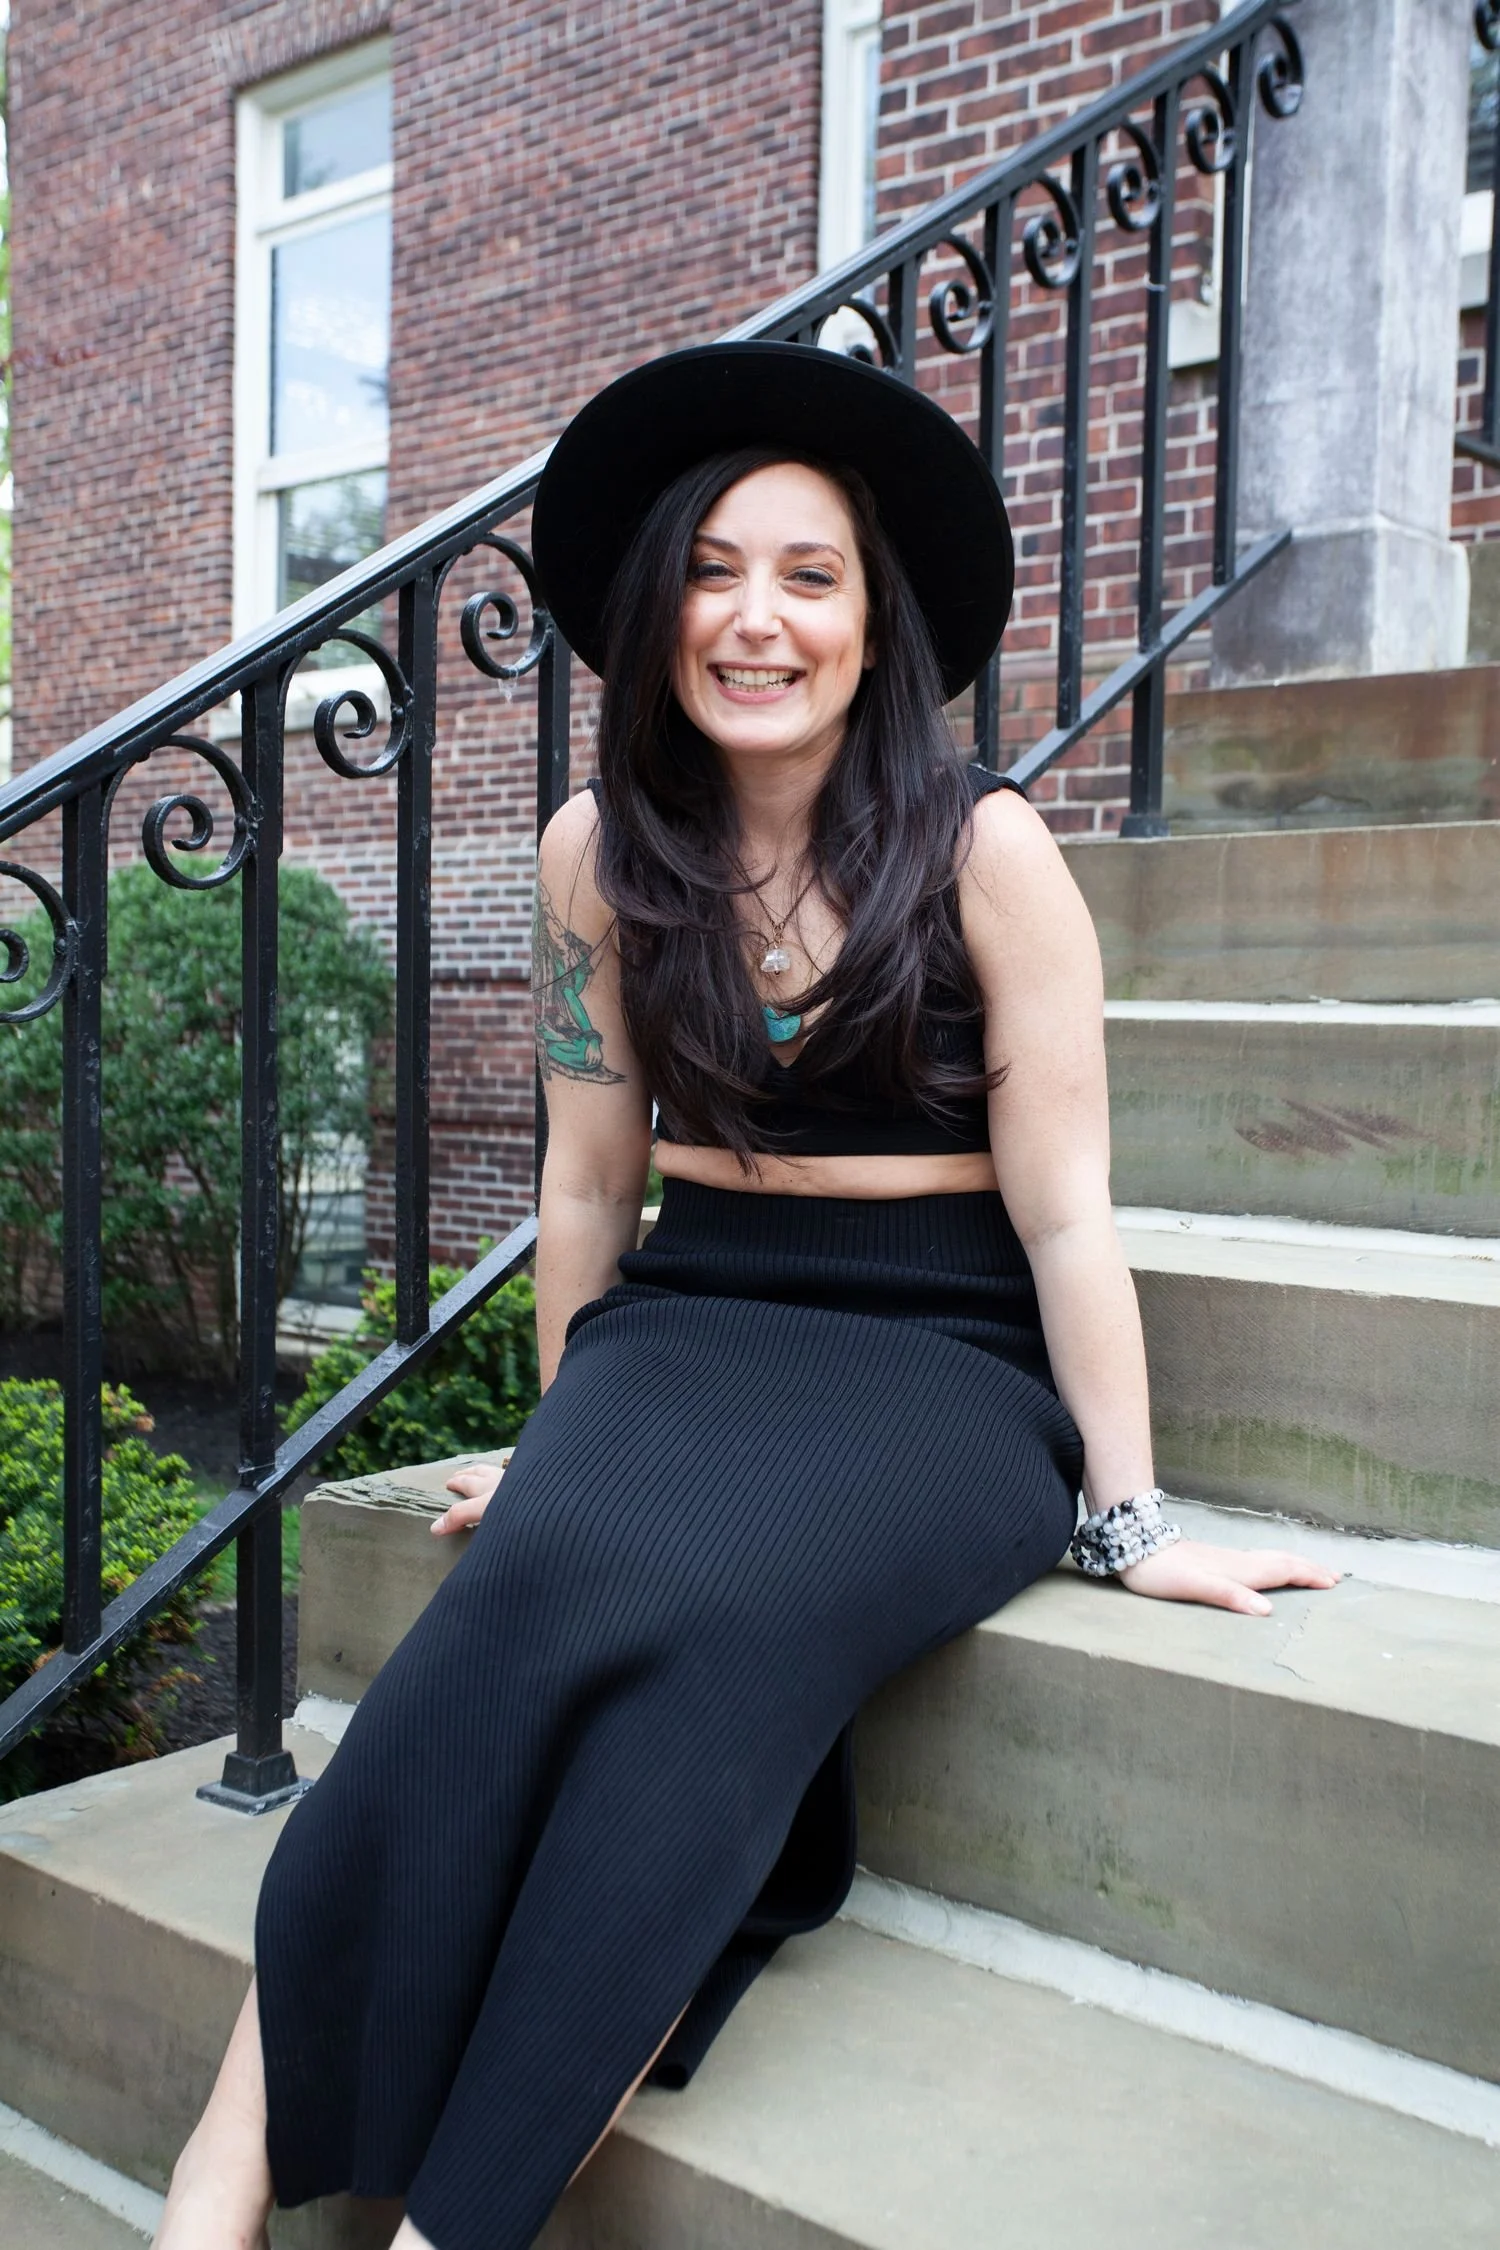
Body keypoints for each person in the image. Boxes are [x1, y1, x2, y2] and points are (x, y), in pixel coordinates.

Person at [154, 343, 1338, 2250]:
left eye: (809, 574)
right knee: (512, 1602)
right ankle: (213, 2199)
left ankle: (459, 2215)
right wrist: (556, 1448)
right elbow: (587, 1183)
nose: (756, 617)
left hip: (938, 1362)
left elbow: (1065, 1215)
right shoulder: (596, 863)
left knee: (708, 1625)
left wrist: (1130, 1518)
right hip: (684, 1323)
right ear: (655, 613)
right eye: (713, 570)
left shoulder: (985, 849)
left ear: (876, 628)